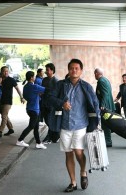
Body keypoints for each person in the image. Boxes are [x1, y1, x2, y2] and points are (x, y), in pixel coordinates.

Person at [49, 59, 100, 193]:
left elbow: (95, 104)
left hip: (80, 124)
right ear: (68, 70)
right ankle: (73, 182)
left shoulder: (86, 87)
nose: (74, 70)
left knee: (78, 152)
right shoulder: (61, 85)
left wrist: (98, 121)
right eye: (71, 68)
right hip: (64, 125)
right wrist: (61, 103)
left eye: (77, 68)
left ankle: (83, 171)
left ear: (81, 71)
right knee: (68, 154)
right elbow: (50, 98)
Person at [16, 71, 46, 149]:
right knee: (31, 126)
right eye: (34, 76)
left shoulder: (25, 86)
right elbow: (46, 90)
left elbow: (25, 96)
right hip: (34, 110)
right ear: (32, 77)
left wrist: (36, 95)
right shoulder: (35, 86)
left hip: (30, 109)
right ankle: (20, 140)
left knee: (36, 127)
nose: (35, 77)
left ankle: (38, 143)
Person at [0, 66, 24, 138]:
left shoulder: (11, 80)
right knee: (5, 116)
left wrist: (21, 97)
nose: (6, 72)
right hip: (0, 101)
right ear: (1, 72)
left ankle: (0, 131)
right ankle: (10, 129)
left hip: (8, 101)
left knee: (3, 116)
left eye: (7, 71)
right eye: (4, 71)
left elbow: (17, 89)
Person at [94, 67, 115, 147]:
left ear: (97, 73)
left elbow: (105, 94)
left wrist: (102, 105)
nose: (94, 75)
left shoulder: (101, 81)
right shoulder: (105, 80)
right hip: (108, 105)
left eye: (94, 74)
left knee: (105, 125)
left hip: (105, 106)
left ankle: (108, 142)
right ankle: (108, 141)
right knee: (106, 124)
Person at [41, 63, 60, 144]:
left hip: (52, 105)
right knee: (46, 120)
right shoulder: (44, 80)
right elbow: (42, 89)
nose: (46, 71)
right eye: (46, 70)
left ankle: (49, 137)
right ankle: (56, 135)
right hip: (44, 103)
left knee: (50, 120)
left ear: (52, 71)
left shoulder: (56, 81)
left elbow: (57, 93)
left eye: (48, 70)